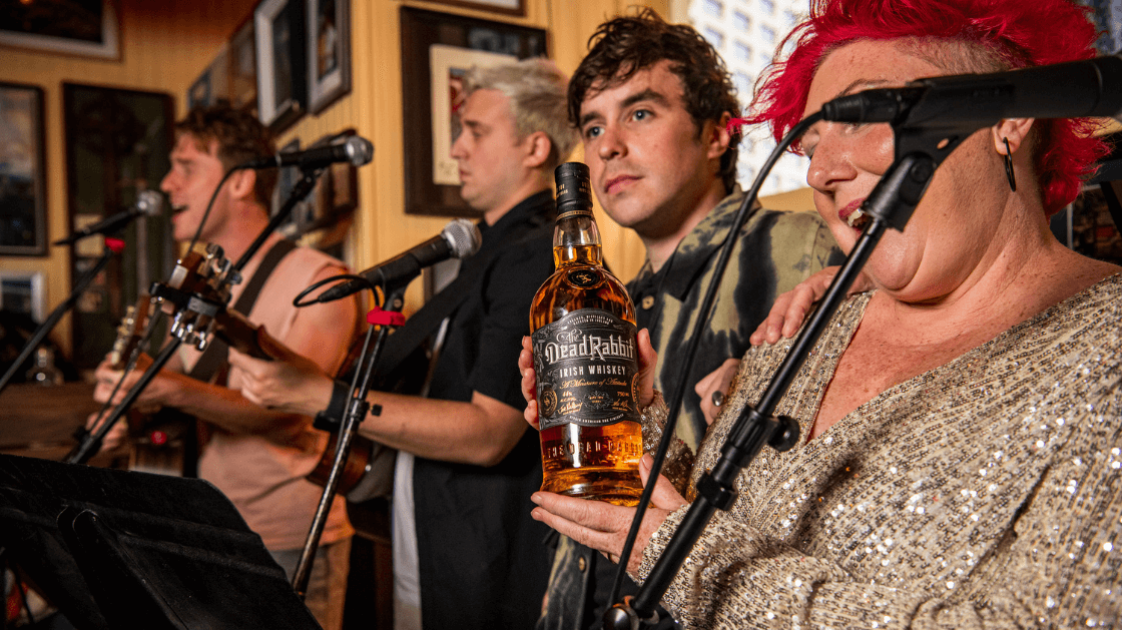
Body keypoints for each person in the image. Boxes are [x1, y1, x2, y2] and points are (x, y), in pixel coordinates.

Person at [520, 0, 1122, 627]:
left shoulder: (1106, 347)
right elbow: (703, 510)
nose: (823, 172)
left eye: (863, 116)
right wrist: (631, 419)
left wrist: (690, 561)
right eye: (810, 146)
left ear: (1009, 115)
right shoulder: (803, 329)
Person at [228, 58, 579, 630]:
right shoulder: (491, 248)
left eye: (475, 131)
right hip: (440, 532)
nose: (457, 149)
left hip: (487, 555)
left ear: (535, 147)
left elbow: (490, 433)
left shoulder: (534, 254)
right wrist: (299, 375)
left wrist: (322, 397)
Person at [535, 10, 843, 629]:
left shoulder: (811, 251)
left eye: (639, 113)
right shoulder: (609, 302)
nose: (608, 145)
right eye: (593, 126)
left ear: (717, 135)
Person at [89, 104, 360, 630]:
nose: (167, 183)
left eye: (186, 166)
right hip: (192, 529)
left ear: (241, 182)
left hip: (282, 539)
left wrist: (165, 388)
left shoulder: (322, 280)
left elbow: (291, 416)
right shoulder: (197, 285)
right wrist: (125, 410)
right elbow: (172, 390)